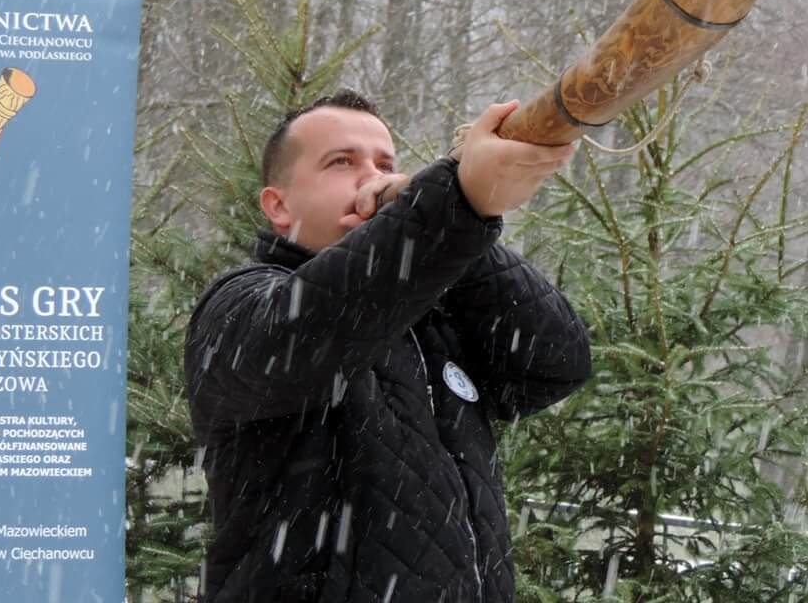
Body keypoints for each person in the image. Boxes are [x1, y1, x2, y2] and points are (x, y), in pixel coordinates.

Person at [184, 89, 591, 602]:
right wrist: (456, 205)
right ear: (278, 205)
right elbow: (308, 331)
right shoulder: (239, 304)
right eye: (341, 162)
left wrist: (462, 230)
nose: (372, 178)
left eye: (385, 164)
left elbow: (557, 364)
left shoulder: (434, 318)